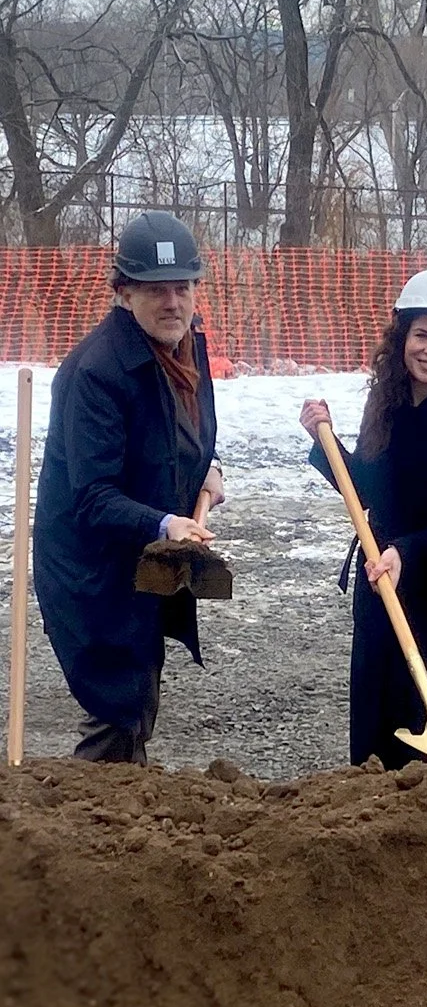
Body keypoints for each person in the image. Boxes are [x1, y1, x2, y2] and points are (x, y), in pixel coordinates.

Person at [299, 266, 427, 770]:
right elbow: (370, 491)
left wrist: (406, 552)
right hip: (386, 592)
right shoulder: (387, 403)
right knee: (378, 751)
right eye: (422, 334)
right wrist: (323, 443)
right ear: (402, 336)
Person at [34, 211, 224, 764]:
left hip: (139, 559)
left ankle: (120, 807)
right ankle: (90, 824)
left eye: (182, 287)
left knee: (138, 697)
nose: (172, 302)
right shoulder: (97, 371)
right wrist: (165, 523)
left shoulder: (186, 348)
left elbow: (180, 435)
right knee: (119, 703)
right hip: (93, 566)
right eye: (154, 289)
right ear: (124, 293)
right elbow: (92, 496)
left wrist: (205, 472)